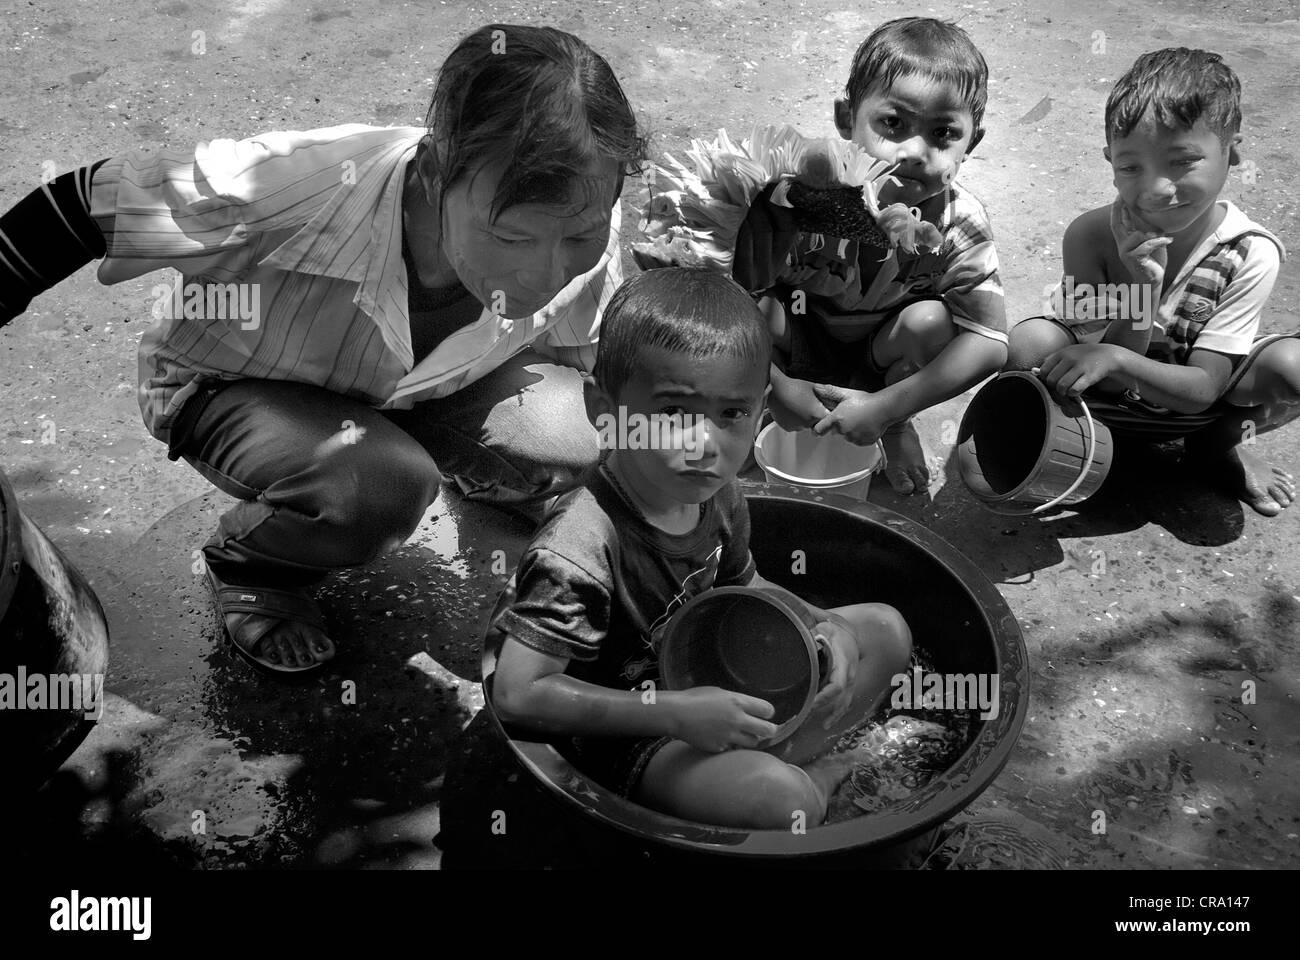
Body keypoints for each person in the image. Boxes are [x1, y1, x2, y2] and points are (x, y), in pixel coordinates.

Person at [0, 24, 648, 674]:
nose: (545, 273)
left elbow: (593, 362)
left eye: (579, 239)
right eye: (511, 239)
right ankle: (254, 569)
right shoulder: (289, 188)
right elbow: (87, 202)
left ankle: (465, 474)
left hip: (422, 391)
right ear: (434, 173)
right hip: (238, 387)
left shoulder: (584, 215)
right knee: (377, 484)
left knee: (591, 434)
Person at [490, 268, 912, 829]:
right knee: (784, 805)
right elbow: (519, 694)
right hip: (630, 735)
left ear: (760, 408)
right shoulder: (581, 548)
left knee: (883, 631)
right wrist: (674, 713)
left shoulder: (717, 493)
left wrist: (819, 623)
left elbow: (746, 589)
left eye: (731, 414)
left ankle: (778, 760)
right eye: (672, 413)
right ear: (603, 410)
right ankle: (811, 782)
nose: (704, 443)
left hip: (710, 675)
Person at [1006, 48, 1299, 517]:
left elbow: (1204, 386)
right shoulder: (1090, 236)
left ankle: (1218, 447)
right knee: (1029, 344)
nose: (1156, 189)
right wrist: (1142, 291)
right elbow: (1098, 379)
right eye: (1130, 167)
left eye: (1182, 161)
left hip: (1196, 406)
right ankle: (1090, 446)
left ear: (1233, 152)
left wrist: (1116, 357)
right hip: (1109, 406)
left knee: (1294, 366)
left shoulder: (1250, 252)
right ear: (1109, 160)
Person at [733, 16, 1007, 496]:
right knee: (749, 304)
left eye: (943, 134)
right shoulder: (797, 193)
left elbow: (988, 342)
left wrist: (888, 409)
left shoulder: (959, 221)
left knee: (931, 323)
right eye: (893, 124)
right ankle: (752, 405)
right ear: (846, 118)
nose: (914, 152)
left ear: (972, 143)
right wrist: (772, 382)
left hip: (885, 356)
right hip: (794, 337)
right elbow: (723, 296)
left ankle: (895, 428)